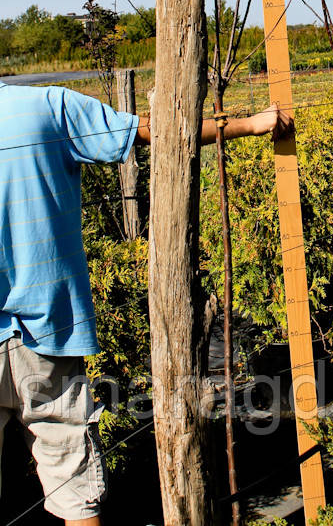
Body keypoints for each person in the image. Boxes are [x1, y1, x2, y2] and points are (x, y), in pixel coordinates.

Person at [0, 79, 290, 525]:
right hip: (46, 331)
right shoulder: (46, 106)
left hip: (36, 330)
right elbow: (161, 132)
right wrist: (251, 124)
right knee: (72, 484)